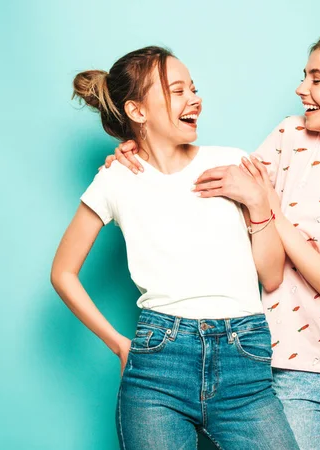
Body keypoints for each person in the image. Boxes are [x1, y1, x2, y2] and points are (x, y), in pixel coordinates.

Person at [105, 6, 320, 449]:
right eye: (304, 76)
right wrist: (139, 148)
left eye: (316, 79)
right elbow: (209, 182)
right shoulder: (289, 139)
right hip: (291, 364)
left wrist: (271, 209)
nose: (300, 89)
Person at [50, 46, 299, 449]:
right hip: (159, 364)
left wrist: (256, 202)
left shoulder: (232, 163)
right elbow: (62, 273)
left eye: (193, 89)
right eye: (177, 91)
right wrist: (119, 344)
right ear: (137, 111)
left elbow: (271, 274)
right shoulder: (117, 178)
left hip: (244, 360)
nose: (194, 99)